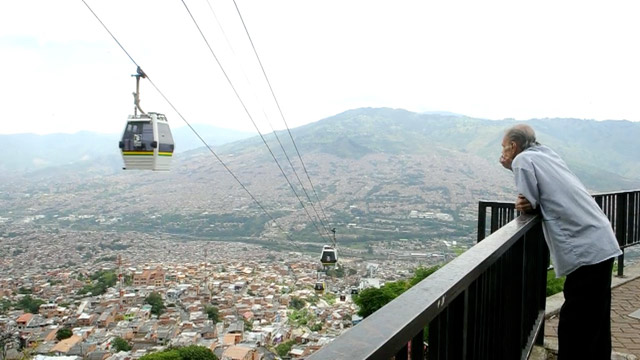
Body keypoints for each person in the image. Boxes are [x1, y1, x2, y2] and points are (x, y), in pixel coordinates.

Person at [499, 124, 622, 359]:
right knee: (596, 319)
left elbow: (529, 201)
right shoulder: (546, 154)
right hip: (599, 239)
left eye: (504, 148)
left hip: (585, 247)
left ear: (513, 146)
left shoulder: (522, 160)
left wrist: (511, 167)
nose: (503, 153)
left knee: (574, 323)